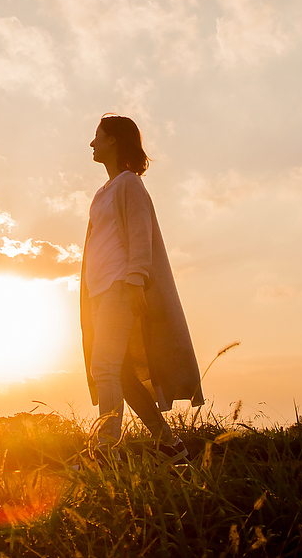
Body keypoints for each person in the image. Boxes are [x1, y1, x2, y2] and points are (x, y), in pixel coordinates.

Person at [79, 114, 202, 462]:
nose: (92, 143)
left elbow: (139, 235)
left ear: (114, 140)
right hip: (100, 292)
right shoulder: (102, 192)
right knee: (118, 372)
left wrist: (135, 282)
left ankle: (104, 451)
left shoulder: (129, 184)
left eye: (97, 136)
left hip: (121, 286)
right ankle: (169, 444)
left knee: (103, 367)